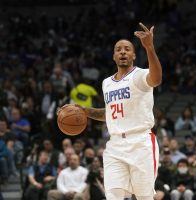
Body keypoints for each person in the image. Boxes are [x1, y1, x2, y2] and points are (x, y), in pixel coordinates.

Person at [58, 22, 162, 200]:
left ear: (134, 55)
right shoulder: (106, 83)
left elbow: (157, 78)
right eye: (119, 49)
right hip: (115, 146)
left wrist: (149, 48)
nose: (123, 52)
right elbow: (109, 113)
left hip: (141, 143)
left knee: (144, 197)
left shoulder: (139, 75)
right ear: (114, 56)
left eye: (127, 49)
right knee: (112, 196)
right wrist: (83, 111)